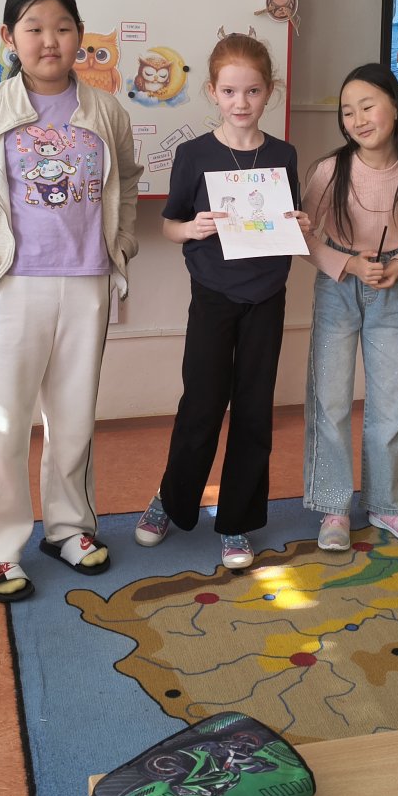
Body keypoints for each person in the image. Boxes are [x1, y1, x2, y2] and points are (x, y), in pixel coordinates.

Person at [0, 0, 142, 602]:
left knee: (74, 418)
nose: (49, 40)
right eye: (34, 28)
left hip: (87, 283)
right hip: (11, 285)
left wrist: (120, 246)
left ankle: (69, 528)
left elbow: (128, 182)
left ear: (79, 35)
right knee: (1, 423)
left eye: (62, 28)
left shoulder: (105, 111)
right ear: (10, 37)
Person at [134, 33, 309, 569]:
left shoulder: (282, 154)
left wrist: (300, 223)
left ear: (270, 92)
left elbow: (288, 219)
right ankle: (172, 499)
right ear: (212, 91)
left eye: (252, 91)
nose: (241, 102)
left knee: (254, 409)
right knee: (202, 403)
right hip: (212, 296)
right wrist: (192, 228)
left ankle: (236, 521)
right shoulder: (193, 155)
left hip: (266, 296)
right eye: (230, 91)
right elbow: (169, 226)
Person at [301, 63, 398, 552]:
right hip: (337, 289)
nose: (358, 119)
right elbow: (303, 236)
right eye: (347, 112)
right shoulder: (329, 170)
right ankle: (333, 508)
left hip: (391, 292)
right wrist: (346, 264)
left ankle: (387, 504)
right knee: (331, 400)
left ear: (396, 107)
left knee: (390, 399)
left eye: (367, 106)